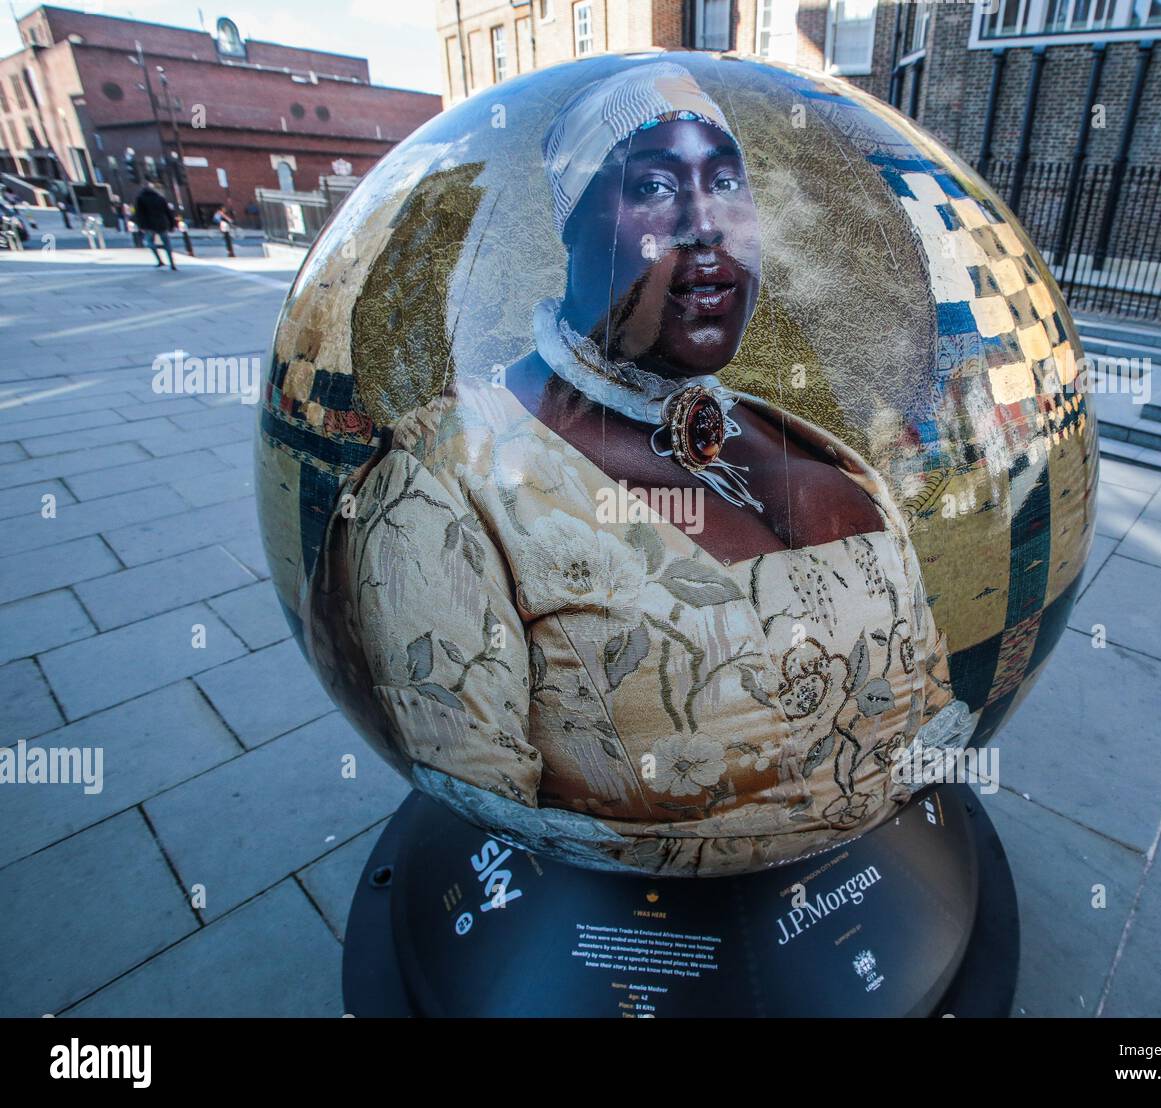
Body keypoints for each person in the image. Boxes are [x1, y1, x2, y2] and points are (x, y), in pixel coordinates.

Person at [305, 62, 970, 876]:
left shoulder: (798, 443)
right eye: (653, 186)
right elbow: (492, 814)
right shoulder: (446, 485)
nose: (705, 225)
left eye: (727, 181)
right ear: (574, 226)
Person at [132, 180, 176, 270]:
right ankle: (172, 263)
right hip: (162, 223)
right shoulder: (160, 198)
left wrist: (141, 226)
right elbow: (168, 212)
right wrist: (172, 225)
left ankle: (159, 260)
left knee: (150, 242)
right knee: (167, 243)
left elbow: (139, 214)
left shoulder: (140, 199)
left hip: (149, 225)